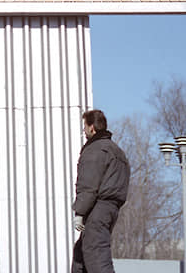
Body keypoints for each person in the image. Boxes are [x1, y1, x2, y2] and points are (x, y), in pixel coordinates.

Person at [71, 109, 131, 273]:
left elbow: (88, 185)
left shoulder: (95, 149)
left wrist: (80, 212)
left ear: (92, 127)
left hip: (98, 209)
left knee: (96, 255)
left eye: (84, 126)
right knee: (80, 256)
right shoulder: (117, 151)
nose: (83, 130)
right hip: (111, 209)